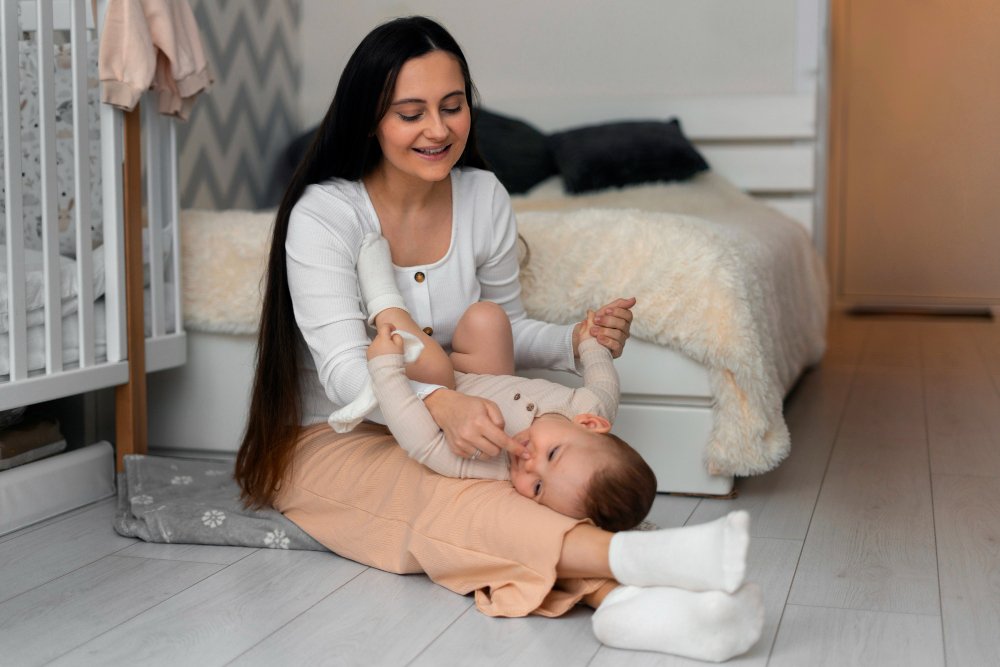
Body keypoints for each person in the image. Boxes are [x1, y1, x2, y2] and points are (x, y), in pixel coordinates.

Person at [234, 15, 763, 662]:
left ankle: (635, 603)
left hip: (452, 429)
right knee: (447, 499)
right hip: (337, 438)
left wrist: (576, 339)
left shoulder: (482, 195)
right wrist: (441, 405)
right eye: (411, 113)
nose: (439, 129)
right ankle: (635, 559)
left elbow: (502, 327)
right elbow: (348, 372)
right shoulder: (325, 215)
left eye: (453, 107)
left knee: (515, 481)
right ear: (368, 118)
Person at [330, 232, 656, 531]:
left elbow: (423, 445)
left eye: (538, 488)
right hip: (482, 373)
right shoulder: (592, 404)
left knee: (434, 367)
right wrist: (591, 337)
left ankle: (382, 298)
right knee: (487, 318)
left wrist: (386, 370)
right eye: (553, 454)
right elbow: (602, 376)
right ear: (590, 423)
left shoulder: (490, 462)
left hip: (430, 391)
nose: (529, 464)